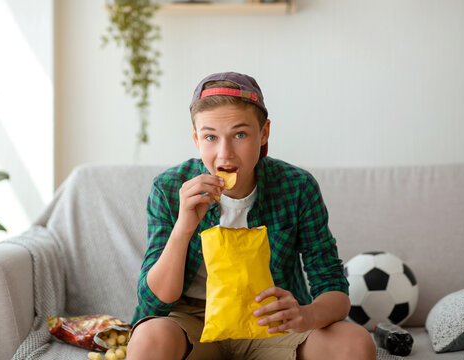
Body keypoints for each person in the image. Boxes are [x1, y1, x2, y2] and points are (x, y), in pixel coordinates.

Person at [127, 71, 376, 360]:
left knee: (355, 343)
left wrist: (306, 315)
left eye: (240, 134)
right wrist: (184, 226)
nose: (225, 154)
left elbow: (333, 288)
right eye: (210, 137)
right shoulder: (169, 188)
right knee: (148, 340)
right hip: (193, 322)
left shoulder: (297, 187)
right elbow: (153, 300)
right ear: (196, 139)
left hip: (272, 321)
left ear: (264, 133)